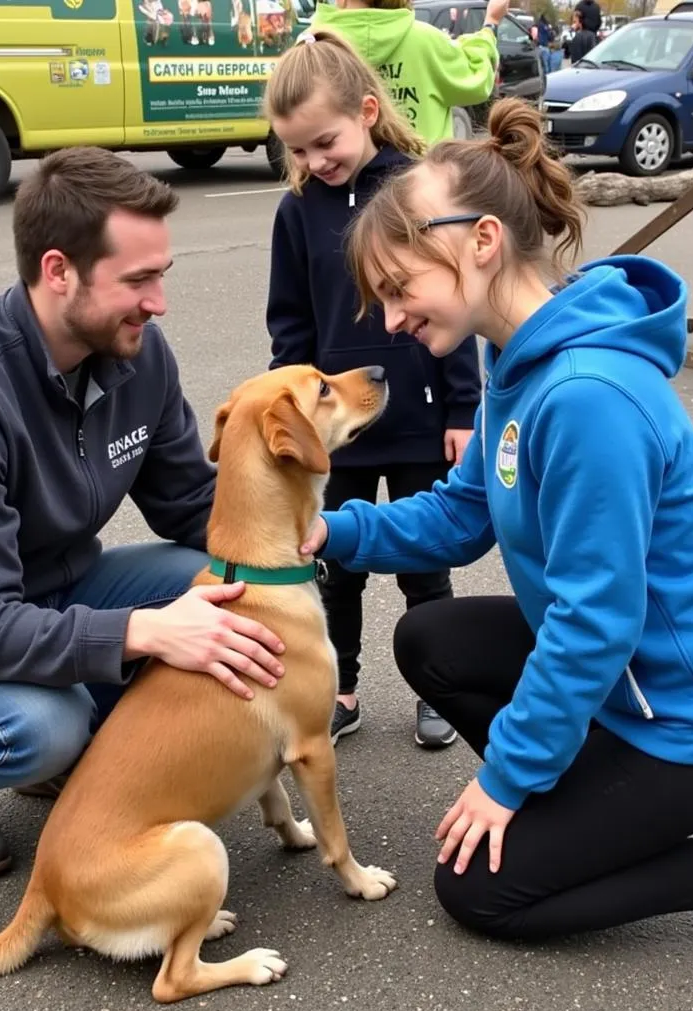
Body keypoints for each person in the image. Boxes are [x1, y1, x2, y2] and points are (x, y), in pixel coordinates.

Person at [297, 97, 693, 957]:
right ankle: (576, 798)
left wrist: (505, 780)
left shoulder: (587, 398)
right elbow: (460, 513)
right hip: (626, 683)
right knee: (430, 639)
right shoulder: (518, 359)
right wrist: (328, 533)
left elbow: (594, 621)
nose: (388, 321)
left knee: (480, 892)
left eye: (397, 288)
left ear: (481, 242)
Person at [0, 148, 287, 882]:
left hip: (47, 593)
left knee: (219, 586)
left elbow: (190, 502)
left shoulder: (136, 351)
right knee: (46, 726)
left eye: (161, 275)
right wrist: (144, 631)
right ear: (58, 270)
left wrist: (295, 542)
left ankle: (57, 744)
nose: (158, 301)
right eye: (138, 280)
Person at [263, 30, 482, 749]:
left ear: (365, 110)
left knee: (425, 564)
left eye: (324, 141)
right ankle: (342, 687)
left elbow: (457, 302)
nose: (313, 161)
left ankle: (436, 692)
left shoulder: (417, 189)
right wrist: (297, 419)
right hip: (338, 429)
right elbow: (290, 328)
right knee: (336, 567)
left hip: (422, 418)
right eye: (296, 150)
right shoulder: (297, 212)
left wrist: (464, 408)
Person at [307, 0, 507, 145]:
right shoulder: (426, 40)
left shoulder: (312, 46)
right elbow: (477, 78)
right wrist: (490, 23)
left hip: (342, 194)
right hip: (422, 188)